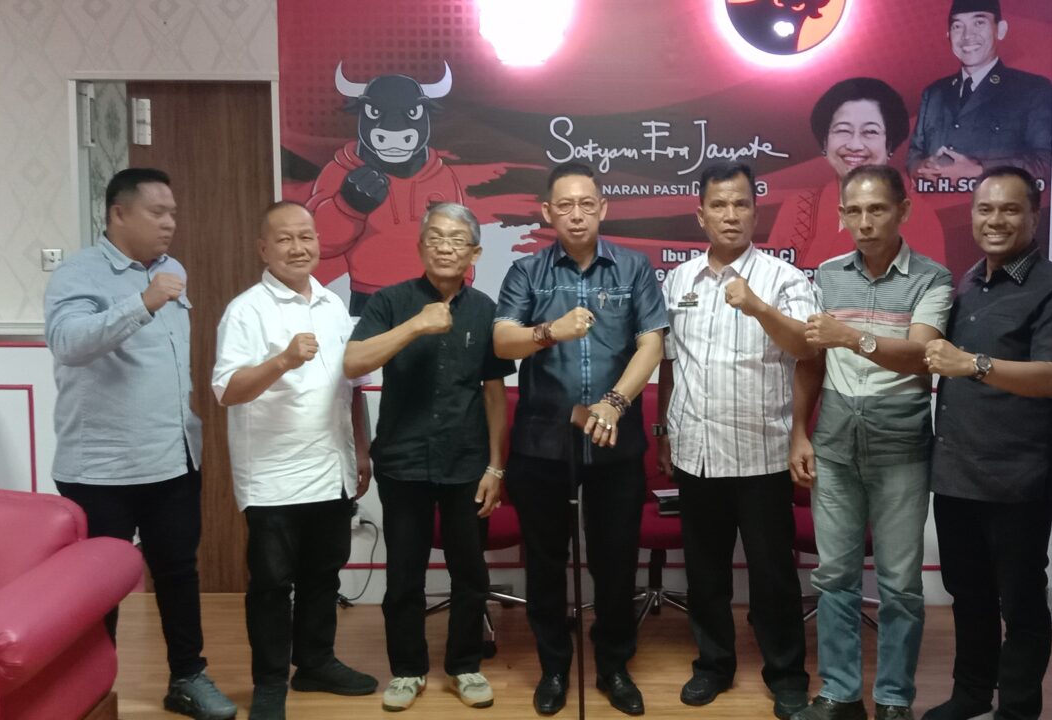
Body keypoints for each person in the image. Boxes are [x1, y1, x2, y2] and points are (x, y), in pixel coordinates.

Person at [44, 168, 236, 720]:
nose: (170, 223)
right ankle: (87, 694)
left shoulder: (173, 269)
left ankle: (188, 678)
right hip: (100, 468)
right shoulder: (78, 273)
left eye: (173, 212)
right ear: (118, 213)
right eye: (157, 212)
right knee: (95, 590)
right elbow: (67, 343)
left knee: (178, 573)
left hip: (172, 458)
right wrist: (143, 302)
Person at [493, 161, 668, 716]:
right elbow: (503, 342)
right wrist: (550, 331)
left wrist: (615, 403)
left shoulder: (634, 268)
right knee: (547, 562)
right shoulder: (526, 272)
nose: (576, 214)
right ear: (548, 212)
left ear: (603, 208)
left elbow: (652, 343)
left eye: (586, 204)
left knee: (616, 562)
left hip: (616, 440)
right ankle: (554, 667)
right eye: (564, 205)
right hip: (543, 443)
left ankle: (614, 665)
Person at [920, 167, 1052, 720]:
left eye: (1010, 209)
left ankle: (1017, 709)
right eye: (985, 209)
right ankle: (971, 694)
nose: (996, 220)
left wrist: (972, 364)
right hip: (956, 473)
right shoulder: (967, 282)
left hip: (1019, 479)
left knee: (1020, 602)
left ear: (1034, 216)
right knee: (967, 594)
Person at [790, 165, 953, 720]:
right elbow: (811, 361)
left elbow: (923, 355)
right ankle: (840, 693)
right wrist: (799, 432)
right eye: (854, 211)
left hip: (901, 446)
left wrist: (852, 336)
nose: (865, 222)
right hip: (834, 443)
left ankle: (893, 700)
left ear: (902, 211)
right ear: (841, 215)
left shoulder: (932, 278)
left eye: (877, 209)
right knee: (834, 577)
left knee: (900, 584)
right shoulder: (827, 275)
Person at [343, 202, 515, 712]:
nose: (445, 247)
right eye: (436, 237)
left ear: (474, 253)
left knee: (470, 574)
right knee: (404, 575)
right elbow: (353, 362)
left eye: (457, 239)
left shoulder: (485, 310)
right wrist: (416, 326)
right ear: (420, 247)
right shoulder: (391, 301)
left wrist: (496, 466)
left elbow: (494, 394)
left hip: (467, 463)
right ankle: (407, 670)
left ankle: (464, 665)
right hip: (403, 461)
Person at [656, 162, 813, 720]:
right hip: (696, 451)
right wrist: (663, 432)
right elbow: (669, 363)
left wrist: (758, 307)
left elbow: (808, 349)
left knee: (773, 576)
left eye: (740, 204)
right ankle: (713, 664)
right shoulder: (678, 281)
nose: (730, 215)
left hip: (762, 453)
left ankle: (786, 674)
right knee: (705, 574)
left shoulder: (784, 279)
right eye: (719, 205)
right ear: (700, 214)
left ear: (755, 211)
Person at [211, 201, 379, 718]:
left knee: (323, 576)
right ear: (263, 248)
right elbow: (228, 391)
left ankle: (316, 662)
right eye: (284, 239)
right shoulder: (246, 310)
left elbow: (352, 387)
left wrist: (362, 449)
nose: (297, 247)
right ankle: (269, 683)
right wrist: (282, 360)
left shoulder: (333, 306)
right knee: (270, 586)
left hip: (331, 467)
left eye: (306, 237)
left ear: (320, 243)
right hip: (273, 476)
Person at [771, 77, 952, 271]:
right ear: (825, 141)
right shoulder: (797, 206)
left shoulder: (915, 215)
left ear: (889, 143)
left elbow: (927, 286)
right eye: (843, 130)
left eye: (870, 132)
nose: (855, 145)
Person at [907, 0, 1052, 188]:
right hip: (936, 203)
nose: (967, 36)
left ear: (1000, 30)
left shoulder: (1033, 89)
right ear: (948, 36)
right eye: (958, 26)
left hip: (996, 204)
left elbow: (1047, 162)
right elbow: (914, 153)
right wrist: (921, 168)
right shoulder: (934, 93)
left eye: (979, 23)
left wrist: (979, 170)